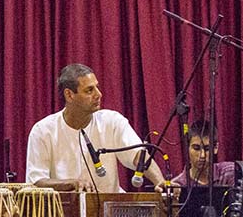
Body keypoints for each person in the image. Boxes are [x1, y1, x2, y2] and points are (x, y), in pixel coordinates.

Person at [26, 63, 165, 193]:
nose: (98, 94)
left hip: (111, 212)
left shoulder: (112, 121)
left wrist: (160, 182)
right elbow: (36, 181)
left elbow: (138, 155)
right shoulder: (43, 131)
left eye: (97, 87)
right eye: (89, 90)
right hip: (64, 214)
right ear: (69, 95)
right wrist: (71, 183)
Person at [173, 119, 235, 187]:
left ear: (216, 148)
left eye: (207, 149)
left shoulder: (230, 172)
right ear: (187, 148)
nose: (202, 155)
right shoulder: (178, 185)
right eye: (196, 148)